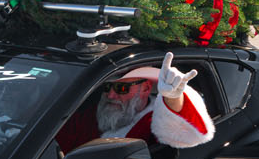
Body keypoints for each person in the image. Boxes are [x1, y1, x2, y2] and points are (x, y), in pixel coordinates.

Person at [55, 52, 213, 153]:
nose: (111, 95)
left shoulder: (152, 121)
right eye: (107, 87)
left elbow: (185, 136)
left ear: (145, 88)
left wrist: (173, 98)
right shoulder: (92, 114)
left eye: (122, 88)